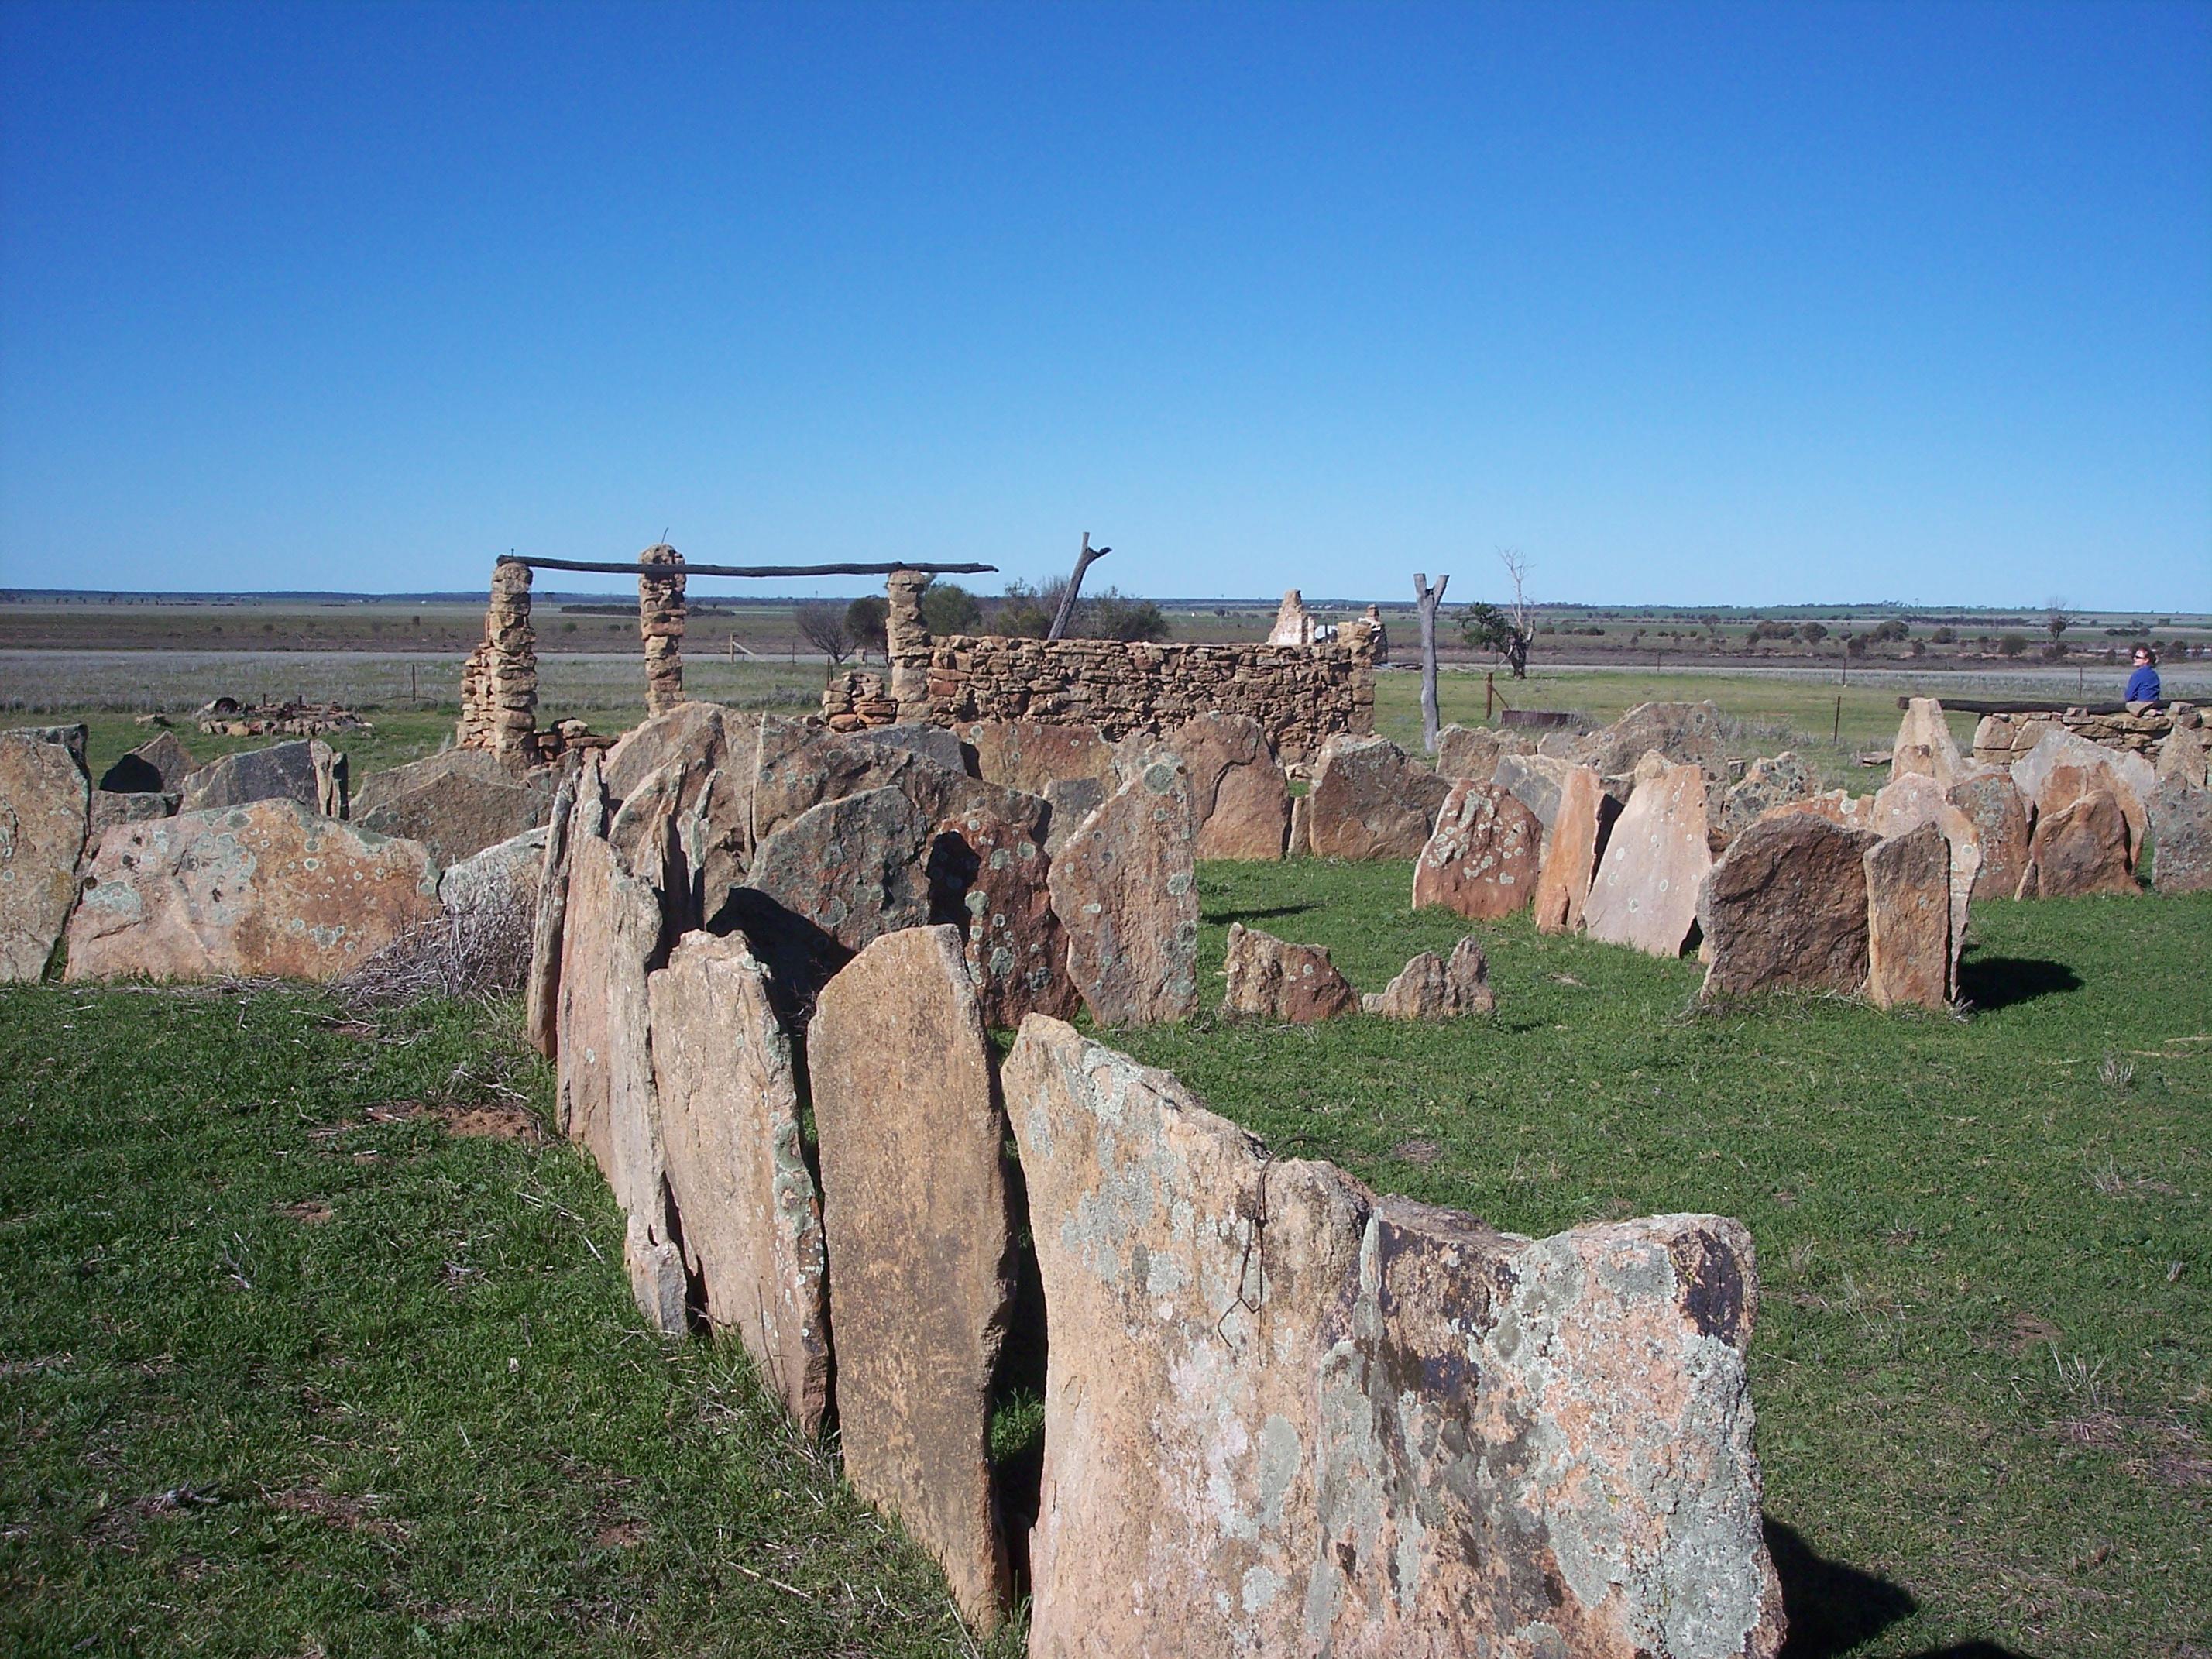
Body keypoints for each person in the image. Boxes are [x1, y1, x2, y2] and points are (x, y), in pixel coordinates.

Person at [2125, 645, 2162, 711]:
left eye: (2138, 657)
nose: (2134, 659)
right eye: (2134, 656)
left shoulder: (2138, 674)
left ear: (2146, 660)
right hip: (2155, 707)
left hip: (2141, 708)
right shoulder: (2154, 674)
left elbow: (2129, 696)